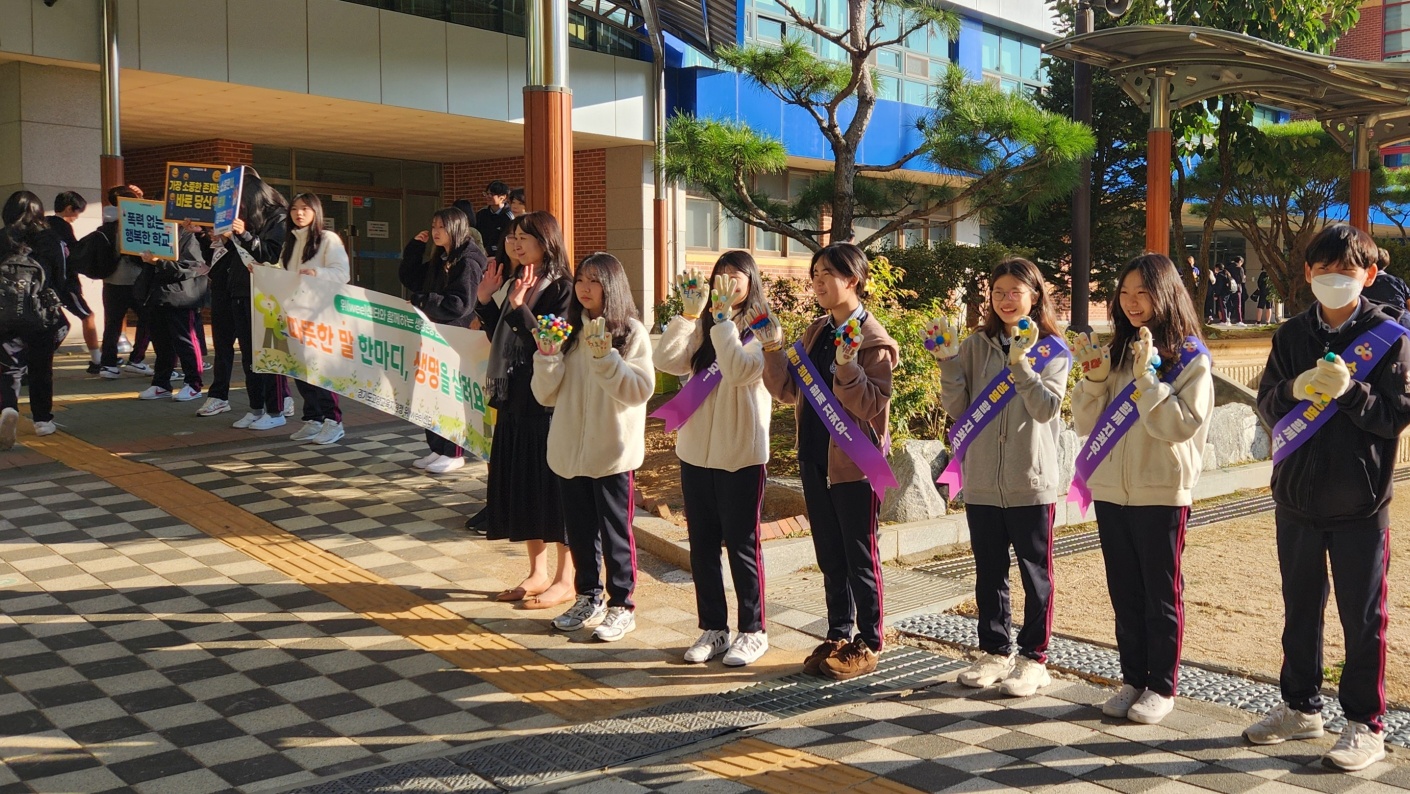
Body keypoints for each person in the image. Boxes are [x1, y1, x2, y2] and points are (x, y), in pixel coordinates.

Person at [1247, 224, 1410, 772]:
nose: (1334, 280)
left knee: (1362, 618)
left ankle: (1364, 724)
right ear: (1308, 274)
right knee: (1299, 608)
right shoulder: (1291, 335)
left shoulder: (1388, 336)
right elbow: (1268, 405)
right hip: (1295, 497)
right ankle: (1300, 707)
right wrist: (1293, 390)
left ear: (1369, 275)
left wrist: (1351, 393)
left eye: (1347, 271)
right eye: (1324, 270)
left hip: (1362, 503)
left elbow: (1394, 419)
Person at [1071, 253, 1213, 726]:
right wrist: (1093, 379)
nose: (1132, 303)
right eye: (1125, 293)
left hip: (1162, 490)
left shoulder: (1189, 357)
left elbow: (1181, 426)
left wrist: (1149, 381)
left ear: (1166, 293)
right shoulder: (1115, 350)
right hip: (1113, 489)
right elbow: (1086, 424)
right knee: (1124, 590)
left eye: (1143, 293)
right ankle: (1132, 677)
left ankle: (1162, 686)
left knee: (1160, 593)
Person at [929, 258, 1070, 697]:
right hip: (984, 481)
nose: (1007, 299)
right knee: (989, 571)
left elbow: (1046, 409)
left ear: (1035, 296)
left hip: (1031, 479)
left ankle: (1034, 659)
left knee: (1035, 575)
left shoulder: (1053, 349)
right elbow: (957, 408)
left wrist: (1022, 364)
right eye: (999, 291)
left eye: (1016, 291)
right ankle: (995, 650)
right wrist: (949, 362)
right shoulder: (975, 345)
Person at [761, 242, 899, 681]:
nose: (817, 281)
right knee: (829, 553)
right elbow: (788, 391)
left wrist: (846, 366)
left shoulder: (874, 340)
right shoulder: (817, 331)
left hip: (855, 465)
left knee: (860, 554)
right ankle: (839, 632)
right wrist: (771, 349)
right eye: (815, 272)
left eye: (827, 273)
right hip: (814, 459)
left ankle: (870, 640)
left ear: (852, 279)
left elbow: (872, 406)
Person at [653, 251, 773, 666]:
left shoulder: (762, 326)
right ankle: (714, 629)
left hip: (741, 454)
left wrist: (722, 322)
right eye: (719, 275)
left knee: (742, 545)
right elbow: (666, 361)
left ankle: (753, 630)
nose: (725, 282)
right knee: (702, 546)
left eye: (735, 275)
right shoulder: (704, 323)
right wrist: (689, 316)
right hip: (695, 453)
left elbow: (741, 371)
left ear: (750, 281)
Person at [534, 252, 654, 641]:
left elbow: (638, 391)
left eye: (595, 281)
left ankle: (622, 605)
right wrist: (547, 356)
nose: (585, 288)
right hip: (570, 451)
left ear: (612, 286)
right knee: (580, 531)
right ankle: (589, 596)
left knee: (615, 531)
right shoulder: (565, 330)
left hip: (611, 452)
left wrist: (606, 359)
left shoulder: (630, 332)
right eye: (581, 280)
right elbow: (544, 395)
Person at [474, 212, 574, 609]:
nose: (515, 244)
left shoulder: (562, 287)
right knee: (524, 487)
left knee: (554, 490)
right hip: (514, 401)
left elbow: (550, 342)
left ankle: (567, 577)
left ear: (546, 242)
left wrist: (517, 309)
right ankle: (537, 571)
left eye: (524, 237)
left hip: (546, 405)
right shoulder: (519, 282)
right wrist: (486, 301)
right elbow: (499, 339)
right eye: (512, 237)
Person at [398, 206, 485, 472]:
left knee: (449, 394)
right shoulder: (442, 258)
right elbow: (412, 278)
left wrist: (422, 301)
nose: (436, 232)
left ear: (456, 229)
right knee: (430, 391)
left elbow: (460, 304)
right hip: (435, 333)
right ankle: (437, 448)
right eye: (434, 226)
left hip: (454, 337)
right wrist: (415, 248)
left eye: (441, 227)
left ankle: (454, 451)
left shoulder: (467, 261)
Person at [202, 167, 288, 428]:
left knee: (268, 356)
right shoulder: (249, 220)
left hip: (267, 296)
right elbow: (240, 253)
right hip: (239, 290)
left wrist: (243, 233)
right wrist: (226, 237)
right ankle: (255, 408)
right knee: (249, 357)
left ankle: (276, 412)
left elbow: (269, 254)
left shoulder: (279, 218)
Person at [281, 194, 352, 446]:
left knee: (320, 369)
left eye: (305, 209)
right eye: (294, 209)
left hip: (321, 317)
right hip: (295, 316)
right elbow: (283, 274)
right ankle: (313, 419)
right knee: (301, 370)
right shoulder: (290, 242)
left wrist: (316, 272)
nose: (298, 213)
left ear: (316, 212)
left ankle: (333, 421)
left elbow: (342, 273)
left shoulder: (327, 239)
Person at [0, 191, 66, 446]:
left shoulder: (2, 238)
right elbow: (61, 277)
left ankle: (9, 408)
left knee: (8, 367)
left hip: (4, 314)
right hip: (41, 312)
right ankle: (42, 421)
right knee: (41, 366)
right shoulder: (50, 238)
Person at [133, 226, 208, 402]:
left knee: (186, 342)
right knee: (161, 343)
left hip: (181, 297)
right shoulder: (154, 235)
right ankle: (161, 383)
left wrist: (159, 262)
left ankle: (193, 384)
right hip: (156, 295)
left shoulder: (188, 236)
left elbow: (191, 267)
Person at [48, 192, 101, 372]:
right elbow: (74, 254)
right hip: (64, 282)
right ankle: (96, 359)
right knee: (87, 316)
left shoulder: (42, 225)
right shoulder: (62, 227)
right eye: (77, 212)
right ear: (69, 208)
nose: (77, 217)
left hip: (46, 283)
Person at [475, 181, 514, 259]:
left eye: (492, 194)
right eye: (486, 194)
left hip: (502, 256)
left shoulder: (509, 217)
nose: (488, 196)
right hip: (481, 255)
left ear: (503, 197)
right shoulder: (481, 214)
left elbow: (509, 240)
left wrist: (489, 250)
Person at [1227, 256, 1247, 326]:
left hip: (1229, 288)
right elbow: (1241, 280)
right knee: (1238, 305)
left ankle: (1228, 319)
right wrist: (1244, 278)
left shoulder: (1228, 268)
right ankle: (1239, 320)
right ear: (1240, 261)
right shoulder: (1239, 268)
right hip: (1237, 287)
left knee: (1229, 304)